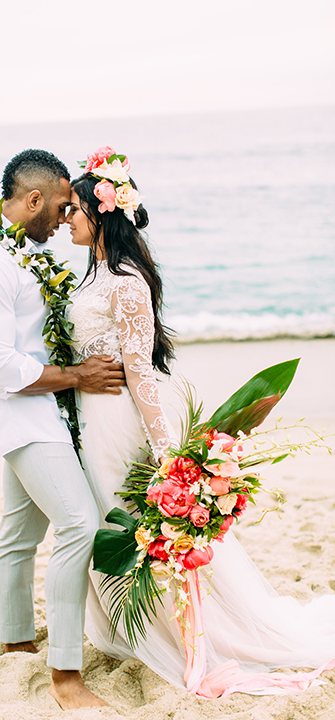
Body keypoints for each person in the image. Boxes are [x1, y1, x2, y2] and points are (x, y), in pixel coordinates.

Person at [65, 146, 335, 697]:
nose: (65, 218)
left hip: (120, 423)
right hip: (92, 422)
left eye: (72, 207)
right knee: (109, 521)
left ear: (100, 210)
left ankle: (183, 633)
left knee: (135, 523)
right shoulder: (91, 272)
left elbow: (141, 374)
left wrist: (170, 456)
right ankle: (130, 629)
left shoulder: (125, 280)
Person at [0, 149, 126, 710]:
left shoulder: (18, 252)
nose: (65, 216)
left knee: (19, 535)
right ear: (32, 201)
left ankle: (17, 640)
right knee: (80, 523)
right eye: (60, 206)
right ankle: (65, 677)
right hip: (20, 416)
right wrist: (75, 376)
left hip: (44, 411)